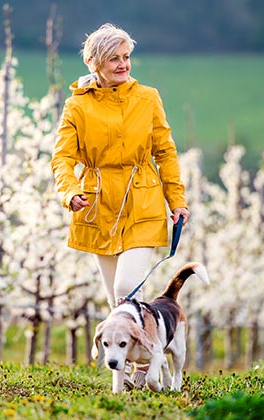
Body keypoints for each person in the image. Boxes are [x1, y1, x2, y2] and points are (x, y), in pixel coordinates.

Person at [50, 23, 190, 388]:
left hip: (143, 200)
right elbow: (62, 158)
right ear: (96, 62)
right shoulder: (76, 105)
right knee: (116, 300)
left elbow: (166, 152)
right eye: (115, 58)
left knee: (129, 288)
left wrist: (177, 199)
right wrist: (68, 193)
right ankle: (128, 371)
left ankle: (145, 369)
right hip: (97, 208)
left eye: (126, 57)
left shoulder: (148, 97)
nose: (124, 64)